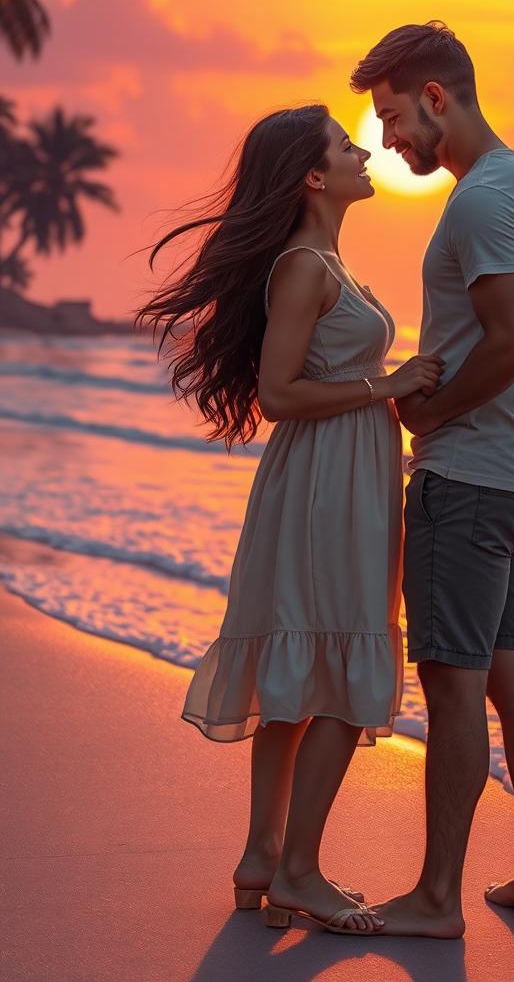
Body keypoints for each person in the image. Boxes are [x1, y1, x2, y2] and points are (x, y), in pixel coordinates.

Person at [135, 104, 443, 935]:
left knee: (301, 678)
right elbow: (277, 396)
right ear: (313, 176)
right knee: (342, 667)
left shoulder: (321, 261)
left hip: (336, 474)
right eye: (347, 145)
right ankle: (300, 871)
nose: (363, 151)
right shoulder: (306, 266)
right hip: (327, 481)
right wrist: (389, 384)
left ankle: (262, 860)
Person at [350, 23, 514, 937]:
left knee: (452, 684)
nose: (389, 144)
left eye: (395, 119)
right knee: (512, 677)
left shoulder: (481, 202)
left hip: (471, 480)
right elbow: (505, 341)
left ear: (437, 98)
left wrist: (429, 414)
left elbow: (511, 342)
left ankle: (438, 897)